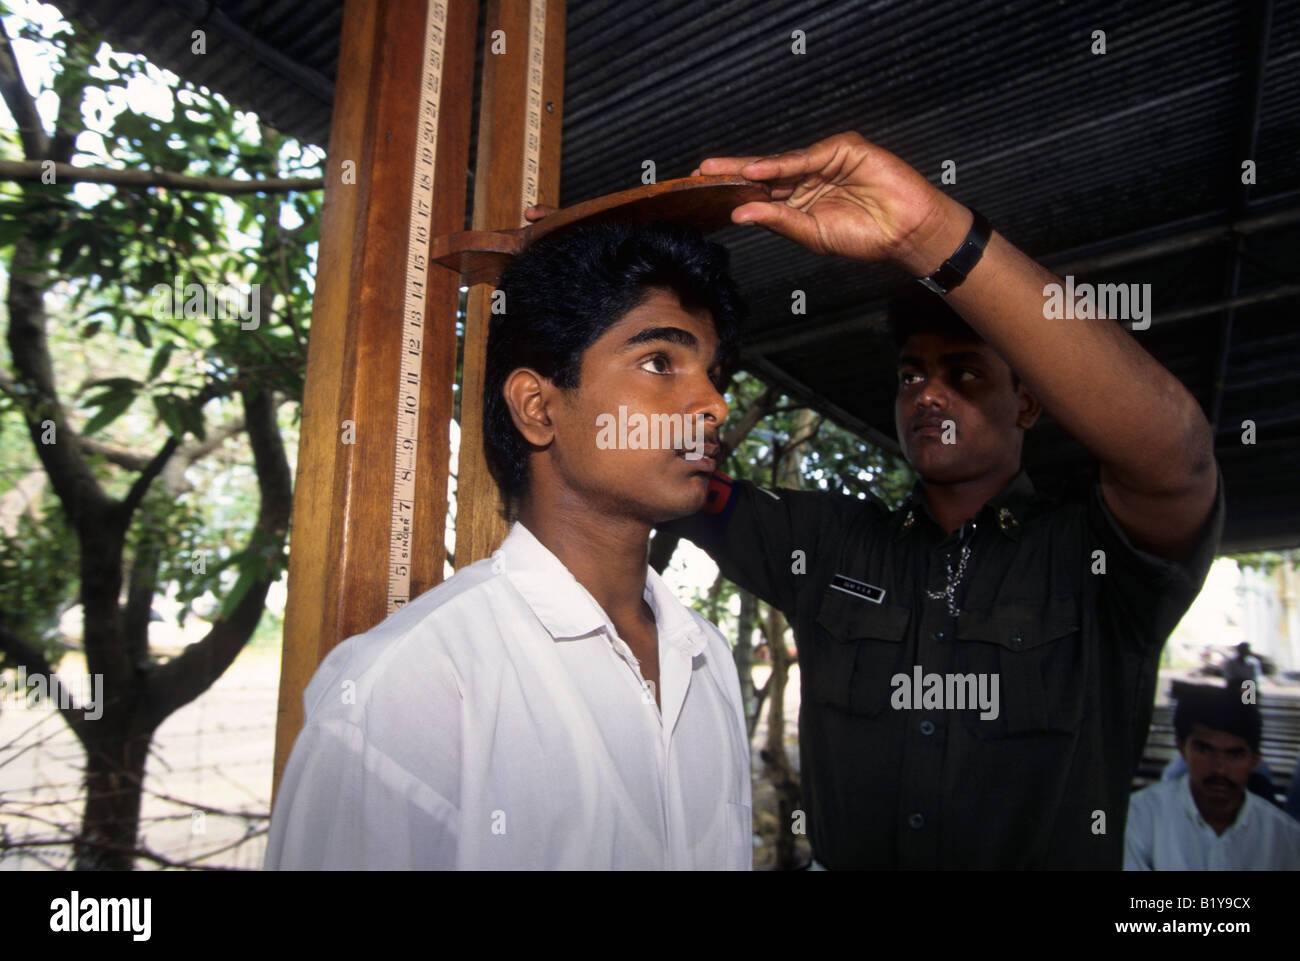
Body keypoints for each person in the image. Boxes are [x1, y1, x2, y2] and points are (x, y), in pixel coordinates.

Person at [638, 131, 1223, 869]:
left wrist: (928, 235)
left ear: (1030, 404)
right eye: (912, 374)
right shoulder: (829, 544)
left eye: (965, 373)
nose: (929, 393)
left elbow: (1179, 458)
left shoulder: (1098, 563)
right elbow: (682, 479)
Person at [265, 222, 753, 869]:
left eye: (715, 373)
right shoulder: (407, 688)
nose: (714, 405)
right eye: (661, 361)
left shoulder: (706, 659)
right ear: (538, 406)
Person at [1124, 685, 1300, 869]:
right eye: (1204, 750)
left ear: (1255, 760)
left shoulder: (1286, 839)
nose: (1220, 769)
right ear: (1182, 748)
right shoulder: (1138, 818)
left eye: (1235, 754)